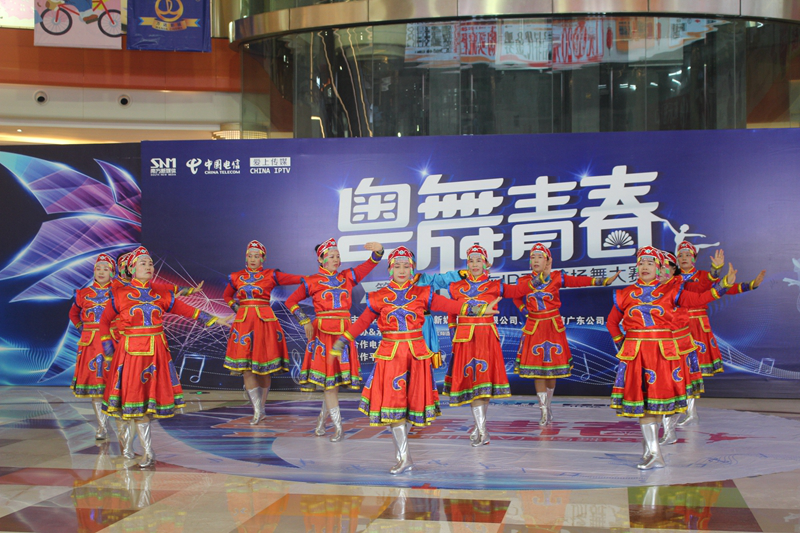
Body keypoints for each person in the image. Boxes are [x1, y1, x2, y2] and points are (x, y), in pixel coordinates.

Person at [331, 246, 501, 474]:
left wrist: (478, 309)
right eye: (397, 266)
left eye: (406, 266)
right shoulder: (378, 297)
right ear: (390, 269)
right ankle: (404, 457)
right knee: (393, 406)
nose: (402, 270)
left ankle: (404, 454)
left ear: (412, 269)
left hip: (416, 357)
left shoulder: (423, 293)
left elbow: (451, 305)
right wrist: (343, 340)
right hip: (390, 357)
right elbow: (362, 322)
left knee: (411, 406)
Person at [99, 246, 231, 468]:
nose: (149, 267)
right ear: (132, 269)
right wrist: (109, 352)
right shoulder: (119, 294)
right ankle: (135, 446)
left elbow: (187, 310)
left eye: (150, 264)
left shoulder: (159, 294)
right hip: (130, 354)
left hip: (155, 355)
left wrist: (215, 319)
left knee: (146, 406)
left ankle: (147, 451)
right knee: (132, 404)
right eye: (143, 263)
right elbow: (104, 322)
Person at [607, 246, 737, 469]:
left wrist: (723, 285)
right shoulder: (625, 293)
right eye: (641, 263)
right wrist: (624, 345)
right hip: (637, 356)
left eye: (650, 263)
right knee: (645, 406)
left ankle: (654, 451)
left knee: (657, 405)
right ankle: (653, 452)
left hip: (662, 356)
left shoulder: (672, 291)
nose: (645, 267)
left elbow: (700, 299)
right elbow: (611, 322)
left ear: (659, 268)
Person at [285, 238, 384, 442]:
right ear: (321, 260)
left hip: (343, 336)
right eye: (331, 256)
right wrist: (304, 321)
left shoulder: (347, 277)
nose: (336, 259)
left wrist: (378, 253)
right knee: (330, 385)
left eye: (338, 256)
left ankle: (321, 422)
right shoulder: (311, 281)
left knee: (333, 384)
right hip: (322, 336)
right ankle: (339, 428)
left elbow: (369, 265)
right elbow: (291, 301)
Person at [513, 243, 619, 425]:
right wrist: (524, 310)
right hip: (534, 327)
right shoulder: (524, 281)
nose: (536, 260)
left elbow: (577, 281)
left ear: (548, 261)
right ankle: (543, 410)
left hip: (553, 327)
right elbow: (515, 297)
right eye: (533, 257)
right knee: (537, 372)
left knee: (551, 371)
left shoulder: (556, 277)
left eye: (540, 257)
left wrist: (602, 281)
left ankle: (549, 405)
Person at [444, 244, 537, 446]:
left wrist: (540, 278)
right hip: (464, 339)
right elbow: (451, 313)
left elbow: (520, 290)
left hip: (486, 337)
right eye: (471, 261)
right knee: (472, 383)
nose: (475, 264)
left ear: (486, 263)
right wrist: (453, 336)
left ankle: (481, 429)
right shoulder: (455, 287)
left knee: (483, 383)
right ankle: (481, 428)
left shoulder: (495, 286)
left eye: (479, 260)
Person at [675, 241, 765, 425]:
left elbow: (724, 288)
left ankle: (690, 411)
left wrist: (750, 285)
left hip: (697, 327)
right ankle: (686, 410)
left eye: (687, 255)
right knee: (679, 369)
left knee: (692, 370)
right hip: (677, 325)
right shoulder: (672, 278)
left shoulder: (703, 276)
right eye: (680, 255)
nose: (684, 258)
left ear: (694, 258)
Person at [223, 240, 303, 425]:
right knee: (247, 369)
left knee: (264, 369)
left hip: (264, 324)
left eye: (256, 256)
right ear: (246, 258)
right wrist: (236, 308)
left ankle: (263, 407)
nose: (253, 259)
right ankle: (257, 410)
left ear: (263, 259)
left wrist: (313, 279)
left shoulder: (271, 275)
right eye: (250, 256)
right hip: (243, 325)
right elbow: (227, 295)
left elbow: (295, 279)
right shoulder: (236, 277)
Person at [68, 253, 116, 440]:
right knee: (96, 386)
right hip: (90, 345)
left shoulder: (119, 292)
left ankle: (122, 425)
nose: (101, 272)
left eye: (105, 269)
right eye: (98, 269)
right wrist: (82, 328)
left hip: (111, 342)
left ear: (112, 272)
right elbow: (73, 314)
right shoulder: (83, 294)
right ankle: (102, 427)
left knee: (115, 384)